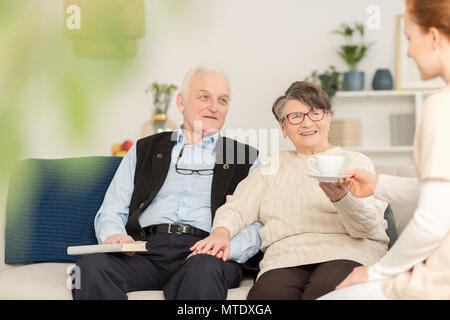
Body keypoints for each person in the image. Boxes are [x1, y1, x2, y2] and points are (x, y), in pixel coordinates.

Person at [72, 66, 263, 300]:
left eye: (222, 100)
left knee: (203, 272)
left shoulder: (246, 158)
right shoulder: (144, 149)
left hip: (205, 253)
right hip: (145, 250)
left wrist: (228, 248)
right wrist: (115, 236)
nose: (214, 106)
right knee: (88, 269)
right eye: (204, 97)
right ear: (181, 102)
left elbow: (260, 223)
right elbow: (112, 210)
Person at [190, 81, 390, 300]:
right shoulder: (272, 166)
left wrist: (341, 197)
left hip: (347, 252)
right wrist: (221, 233)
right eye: (295, 116)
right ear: (284, 128)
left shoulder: (354, 162)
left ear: (328, 118)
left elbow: (368, 227)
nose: (306, 123)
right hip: (284, 258)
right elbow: (237, 207)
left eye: (314, 113)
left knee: (328, 293)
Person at [319, 0, 450, 300]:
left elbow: (431, 221)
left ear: (433, 36)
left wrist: (376, 270)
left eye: (409, 38)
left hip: (438, 281)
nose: (408, 52)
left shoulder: (441, 106)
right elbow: (443, 193)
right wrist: (379, 184)